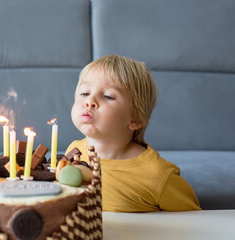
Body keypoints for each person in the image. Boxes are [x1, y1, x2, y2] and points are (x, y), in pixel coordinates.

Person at [66, 55, 201, 212]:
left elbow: (192, 222)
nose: (89, 101)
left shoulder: (157, 176)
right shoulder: (74, 151)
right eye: (84, 93)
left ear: (136, 119)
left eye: (107, 96)